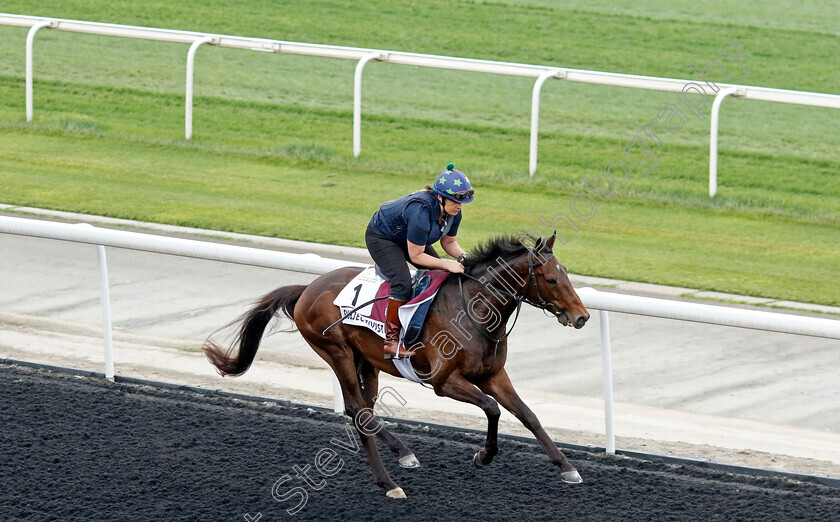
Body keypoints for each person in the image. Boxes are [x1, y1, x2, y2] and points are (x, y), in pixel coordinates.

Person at [366, 163, 474, 359]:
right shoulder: (421, 211)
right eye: (455, 201)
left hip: (408, 238)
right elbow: (416, 255)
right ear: (440, 197)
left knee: (441, 275)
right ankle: (391, 341)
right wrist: (447, 263)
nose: (459, 206)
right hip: (383, 238)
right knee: (402, 283)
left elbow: (449, 241)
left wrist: (462, 256)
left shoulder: (454, 211)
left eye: (463, 202)